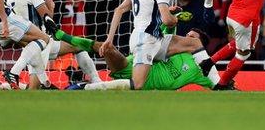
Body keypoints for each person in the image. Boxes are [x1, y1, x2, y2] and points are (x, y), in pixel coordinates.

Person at [99, 0, 216, 90]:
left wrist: (109, 39)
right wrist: (174, 18)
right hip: (146, 40)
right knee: (137, 84)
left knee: (194, 43)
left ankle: (218, 83)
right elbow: (167, 21)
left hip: (155, 39)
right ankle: (91, 87)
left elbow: (119, 10)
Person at [53, 28, 215, 91]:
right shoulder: (174, 46)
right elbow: (159, 35)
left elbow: (219, 83)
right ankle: (62, 35)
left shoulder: (201, 70)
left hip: (145, 84)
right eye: (188, 35)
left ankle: (85, 86)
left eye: (192, 37)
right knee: (107, 48)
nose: (187, 37)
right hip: (131, 66)